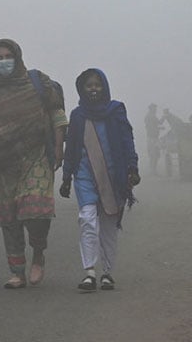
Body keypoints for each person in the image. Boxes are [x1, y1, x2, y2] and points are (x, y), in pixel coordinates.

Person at [0, 39, 68, 289]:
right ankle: (17, 272)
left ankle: (39, 253)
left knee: (36, 211)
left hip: (36, 156)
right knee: (9, 218)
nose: (4, 61)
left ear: (18, 57)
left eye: (8, 56)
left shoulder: (37, 82)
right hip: (1, 164)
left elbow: (57, 113)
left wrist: (59, 146)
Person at [59, 69, 140, 291]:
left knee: (108, 225)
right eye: (89, 85)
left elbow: (127, 140)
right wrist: (66, 177)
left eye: (97, 85)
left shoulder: (116, 111)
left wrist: (133, 167)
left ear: (104, 87)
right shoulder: (77, 116)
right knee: (87, 219)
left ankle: (107, 272)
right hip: (84, 175)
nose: (93, 89)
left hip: (114, 177)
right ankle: (89, 272)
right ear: (82, 89)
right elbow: (71, 148)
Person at [144, 103, 163, 175]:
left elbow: (156, 124)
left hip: (153, 138)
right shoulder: (150, 116)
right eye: (155, 108)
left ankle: (153, 170)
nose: (156, 110)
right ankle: (153, 170)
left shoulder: (151, 116)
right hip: (152, 138)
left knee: (155, 154)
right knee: (154, 154)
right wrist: (165, 116)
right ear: (151, 109)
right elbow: (152, 126)